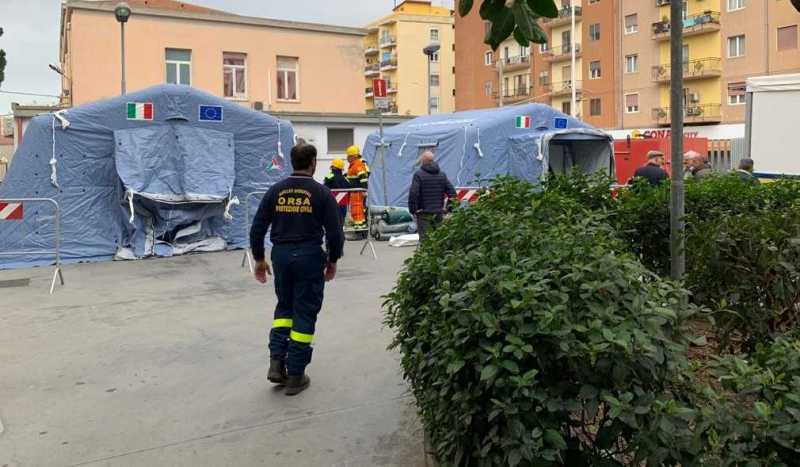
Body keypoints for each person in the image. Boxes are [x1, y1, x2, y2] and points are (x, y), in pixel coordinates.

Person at [249, 143, 344, 396]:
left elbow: (257, 228)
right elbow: (335, 232)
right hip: (309, 257)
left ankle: (276, 363)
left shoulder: (275, 191)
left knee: (284, 308)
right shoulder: (322, 193)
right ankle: (296, 374)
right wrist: (333, 259)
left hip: (281, 256)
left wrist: (259, 259)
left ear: (292, 162)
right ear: (313, 162)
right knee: (304, 310)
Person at [408, 151, 456, 242]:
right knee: (439, 239)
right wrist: (449, 209)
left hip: (423, 213)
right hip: (438, 212)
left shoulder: (418, 175)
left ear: (423, 160)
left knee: (425, 240)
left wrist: (413, 209)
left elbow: (414, 193)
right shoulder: (442, 175)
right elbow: (452, 193)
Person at [345, 145, 370, 226]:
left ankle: (359, 225)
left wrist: (364, 190)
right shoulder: (353, 165)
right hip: (355, 191)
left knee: (357, 208)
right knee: (357, 208)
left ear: (354, 156)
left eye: (349, 156)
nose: (347, 158)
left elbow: (363, 178)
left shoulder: (358, 165)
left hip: (357, 191)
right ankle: (360, 223)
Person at [324, 158, 351, 223]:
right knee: (341, 218)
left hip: (331, 201)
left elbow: (325, 187)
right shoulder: (344, 178)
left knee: (332, 218)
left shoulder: (329, 175)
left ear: (333, 167)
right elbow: (349, 187)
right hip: (343, 203)